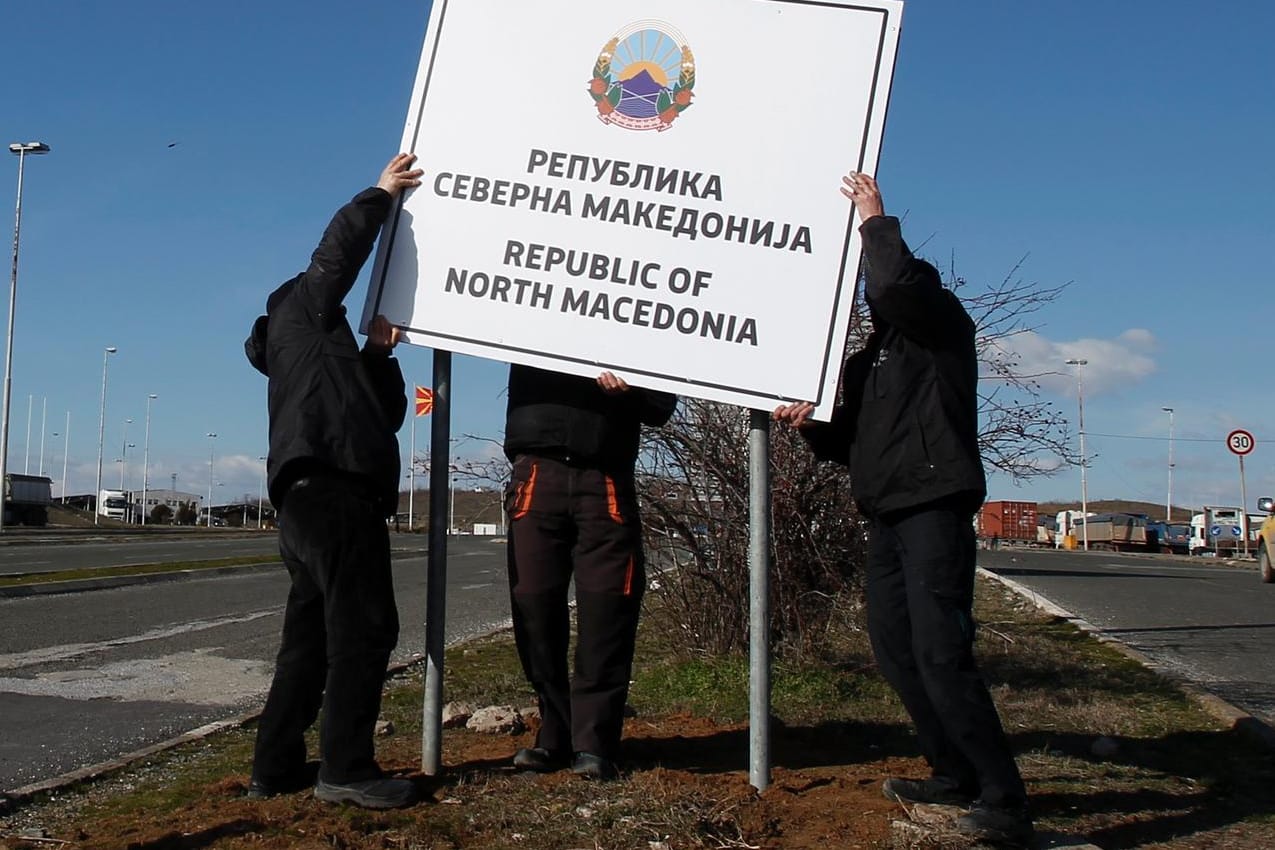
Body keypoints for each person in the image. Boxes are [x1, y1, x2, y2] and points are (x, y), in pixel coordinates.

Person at [772, 172, 1033, 846]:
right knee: (895, 650)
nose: (876, 295)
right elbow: (846, 443)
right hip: (884, 511)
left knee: (941, 649)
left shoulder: (942, 332)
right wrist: (807, 423)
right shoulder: (868, 364)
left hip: (934, 506)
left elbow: (892, 285)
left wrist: (872, 219)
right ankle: (952, 773)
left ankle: (1003, 797)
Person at [243, 153, 423, 809]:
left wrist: (378, 356)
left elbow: (383, 418)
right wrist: (379, 194)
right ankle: (346, 767)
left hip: (309, 500)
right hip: (334, 494)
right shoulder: (302, 313)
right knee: (366, 629)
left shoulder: (320, 356)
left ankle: (275, 765)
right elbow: (335, 256)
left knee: (310, 642)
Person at [503, 364, 677, 780]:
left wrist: (629, 389)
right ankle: (555, 732)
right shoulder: (532, 310)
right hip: (537, 466)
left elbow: (660, 405)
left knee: (608, 608)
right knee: (534, 604)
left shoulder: (640, 329)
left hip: (607, 474)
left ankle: (595, 743)